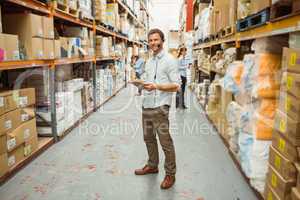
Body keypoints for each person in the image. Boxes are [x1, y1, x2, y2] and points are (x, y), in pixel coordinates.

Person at [134, 28, 181, 190]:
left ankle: (170, 174)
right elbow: (148, 81)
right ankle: (153, 165)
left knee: (165, 142)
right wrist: (140, 84)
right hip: (146, 104)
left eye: (156, 40)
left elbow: (176, 86)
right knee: (148, 138)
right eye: (151, 40)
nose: (153, 43)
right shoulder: (149, 61)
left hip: (160, 106)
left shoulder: (169, 60)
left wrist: (157, 86)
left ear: (162, 41)